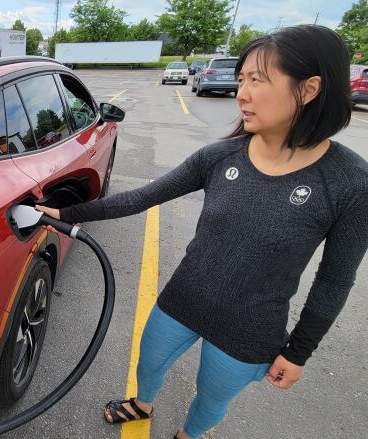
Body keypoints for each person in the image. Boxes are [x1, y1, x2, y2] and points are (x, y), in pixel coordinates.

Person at [36, 25, 366, 439]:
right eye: (241, 78)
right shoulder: (220, 155)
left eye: (257, 80)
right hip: (183, 299)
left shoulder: (349, 182)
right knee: (148, 363)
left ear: (310, 88)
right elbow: (142, 197)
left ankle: (188, 435)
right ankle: (142, 405)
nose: (241, 92)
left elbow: (335, 279)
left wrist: (299, 351)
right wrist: (64, 209)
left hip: (250, 328)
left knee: (212, 398)